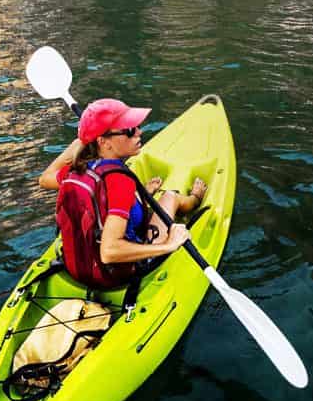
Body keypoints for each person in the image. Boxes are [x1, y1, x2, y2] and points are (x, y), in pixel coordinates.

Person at [38, 98, 206, 273]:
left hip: (79, 268)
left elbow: (45, 179)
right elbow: (109, 252)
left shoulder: (76, 170)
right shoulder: (120, 181)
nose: (139, 132)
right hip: (118, 272)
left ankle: (142, 197)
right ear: (104, 142)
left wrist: (81, 142)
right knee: (170, 197)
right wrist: (169, 245)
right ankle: (194, 199)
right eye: (129, 130)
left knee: (132, 202)